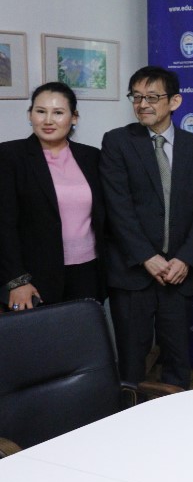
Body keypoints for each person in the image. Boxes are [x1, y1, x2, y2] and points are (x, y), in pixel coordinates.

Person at [100, 67, 193, 390]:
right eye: (136, 97)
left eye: (152, 97)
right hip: (133, 272)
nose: (143, 104)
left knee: (178, 359)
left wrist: (186, 258)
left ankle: (178, 415)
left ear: (174, 101)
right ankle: (129, 415)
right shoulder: (118, 142)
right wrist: (146, 256)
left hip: (178, 272)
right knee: (131, 362)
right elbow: (118, 208)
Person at [1, 83, 105, 311]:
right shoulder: (9, 156)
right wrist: (17, 280)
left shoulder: (91, 156)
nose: (48, 120)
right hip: (33, 277)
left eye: (58, 112)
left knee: (84, 332)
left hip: (88, 271)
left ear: (74, 117)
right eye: (40, 111)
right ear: (30, 115)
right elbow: (4, 225)